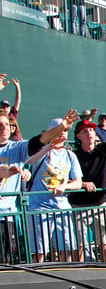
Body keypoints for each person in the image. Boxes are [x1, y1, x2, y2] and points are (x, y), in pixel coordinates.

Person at [0, 108, 79, 263]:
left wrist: (62, 126)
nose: (4, 128)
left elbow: (39, 140)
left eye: (6, 125)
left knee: (6, 262)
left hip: (7, 216)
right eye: (0, 125)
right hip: (38, 207)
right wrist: (9, 170)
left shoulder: (17, 148)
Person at [68, 103, 106, 262]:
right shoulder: (72, 156)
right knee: (81, 246)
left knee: (105, 244)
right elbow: (64, 179)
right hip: (78, 205)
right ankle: (82, 274)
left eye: (91, 129)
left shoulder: (102, 149)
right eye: (85, 130)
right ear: (78, 136)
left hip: (100, 203)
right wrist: (83, 184)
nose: (90, 132)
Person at [26, 119, 84, 263]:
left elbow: (78, 183)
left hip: (62, 208)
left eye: (64, 131)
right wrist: (48, 147)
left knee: (67, 250)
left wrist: (65, 187)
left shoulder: (70, 156)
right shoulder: (42, 152)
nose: (62, 134)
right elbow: (30, 161)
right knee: (39, 252)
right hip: (39, 208)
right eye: (58, 131)